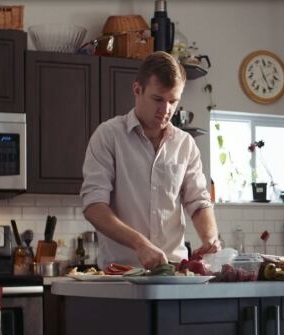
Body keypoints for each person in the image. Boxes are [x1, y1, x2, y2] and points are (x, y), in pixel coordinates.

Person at [80, 51, 220, 269]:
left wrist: (210, 238)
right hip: (121, 274)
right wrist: (140, 244)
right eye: (158, 99)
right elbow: (94, 206)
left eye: (173, 101)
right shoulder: (108, 136)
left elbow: (199, 202)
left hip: (174, 272)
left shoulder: (185, 144)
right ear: (137, 90)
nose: (166, 110)